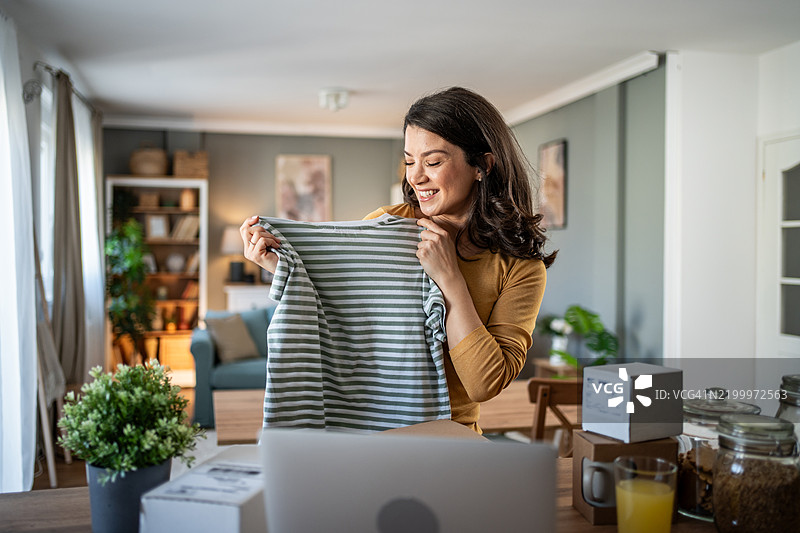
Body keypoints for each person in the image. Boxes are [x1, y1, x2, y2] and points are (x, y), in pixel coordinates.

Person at [241, 86, 556, 433]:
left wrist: (450, 280)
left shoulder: (521, 268)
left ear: (482, 165)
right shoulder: (388, 225)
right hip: (369, 431)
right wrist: (282, 266)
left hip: (451, 438)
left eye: (433, 162)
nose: (416, 176)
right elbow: (344, 314)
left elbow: (484, 384)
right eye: (409, 161)